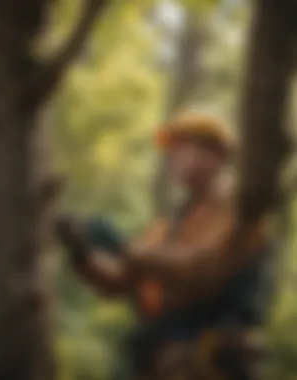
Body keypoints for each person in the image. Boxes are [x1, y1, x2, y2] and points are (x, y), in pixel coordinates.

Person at [56, 113, 272, 380]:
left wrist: (126, 249)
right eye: (174, 149)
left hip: (214, 356)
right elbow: (121, 280)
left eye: (187, 146)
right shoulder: (168, 228)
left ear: (217, 155)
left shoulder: (237, 213)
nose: (177, 157)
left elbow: (200, 270)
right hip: (163, 356)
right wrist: (82, 253)